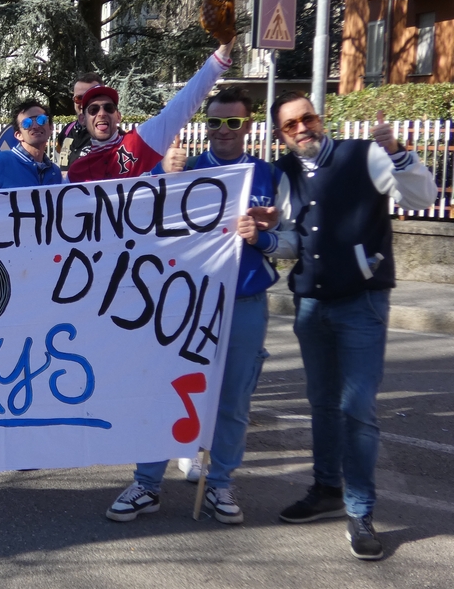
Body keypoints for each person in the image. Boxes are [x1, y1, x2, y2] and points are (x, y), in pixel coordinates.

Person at [266, 93, 437, 561]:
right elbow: (292, 242)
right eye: (290, 125)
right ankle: (326, 489)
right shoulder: (284, 173)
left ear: (319, 119)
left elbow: (422, 197)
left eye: (307, 118)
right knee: (322, 403)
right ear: (280, 134)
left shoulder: (364, 155)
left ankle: (360, 510)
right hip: (310, 303)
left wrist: (398, 153)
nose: (302, 128)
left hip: (361, 302)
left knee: (358, 407)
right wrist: (265, 237)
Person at [106, 87, 281, 526]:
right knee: (165, 390)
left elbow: (294, 239)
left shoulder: (268, 176)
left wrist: (264, 238)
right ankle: (147, 484)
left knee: (232, 401)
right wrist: (163, 177)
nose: (223, 130)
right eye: (215, 122)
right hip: (187, 303)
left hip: (244, 302)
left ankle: (220, 483)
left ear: (248, 125)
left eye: (233, 122)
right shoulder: (184, 170)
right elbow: (142, 220)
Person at [66, 37, 235, 183]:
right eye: (93, 109)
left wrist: (222, 54)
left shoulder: (140, 141)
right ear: (82, 119)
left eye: (109, 108)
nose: (102, 113)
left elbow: (182, 104)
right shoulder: (76, 173)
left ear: (118, 116)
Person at [54, 72, 102, 166]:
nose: (84, 103)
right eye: (79, 98)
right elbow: (58, 162)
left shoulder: (111, 136)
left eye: (90, 97)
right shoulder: (66, 131)